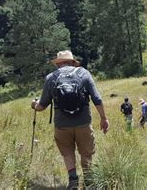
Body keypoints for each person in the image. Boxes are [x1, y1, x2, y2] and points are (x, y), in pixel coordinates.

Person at [31, 50, 109, 189]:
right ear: (73, 61)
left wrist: (34, 105)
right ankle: (89, 180)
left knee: (67, 152)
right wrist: (103, 118)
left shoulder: (51, 78)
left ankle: (73, 181)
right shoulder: (84, 73)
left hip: (61, 125)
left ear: (58, 63)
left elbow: (42, 106)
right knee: (86, 153)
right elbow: (97, 98)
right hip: (83, 123)